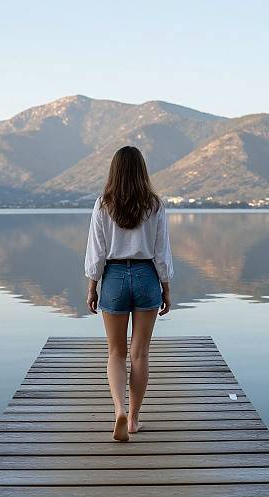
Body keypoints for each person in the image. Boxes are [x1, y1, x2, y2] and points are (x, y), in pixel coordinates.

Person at [84, 145, 174, 442]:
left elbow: (96, 253)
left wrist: (92, 287)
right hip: (147, 276)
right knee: (140, 353)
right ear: (142, 172)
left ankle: (119, 410)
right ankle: (134, 419)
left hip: (114, 278)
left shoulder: (103, 204)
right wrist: (166, 288)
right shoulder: (155, 205)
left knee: (115, 352)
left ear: (114, 171)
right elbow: (161, 253)